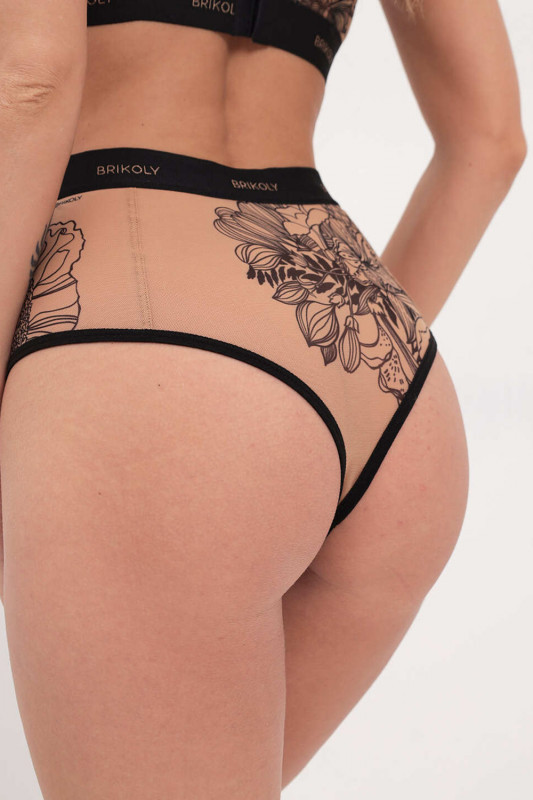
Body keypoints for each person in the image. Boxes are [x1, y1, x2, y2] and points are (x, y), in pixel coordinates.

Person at [0, 0, 525, 796]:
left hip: (150, 357)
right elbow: (490, 140)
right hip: (380, 374)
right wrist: (316, 385)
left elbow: (31, 80)